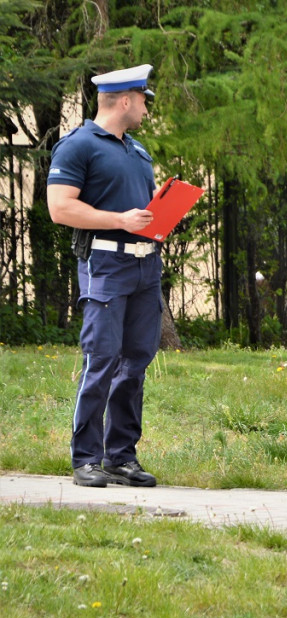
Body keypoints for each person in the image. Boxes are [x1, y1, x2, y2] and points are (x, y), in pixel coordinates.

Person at [47, 64, 162, 488]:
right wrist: (121, 220)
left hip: (146, 267)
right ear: (126, 100)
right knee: (101, 361)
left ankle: (120, 457)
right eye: (144, 100)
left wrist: (162, 214)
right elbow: (60, 209)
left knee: (135, 364)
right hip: (106, 266)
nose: (148, 108)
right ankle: (86, 459)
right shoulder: (77, 146)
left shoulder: (137, 151)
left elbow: (141, 211)